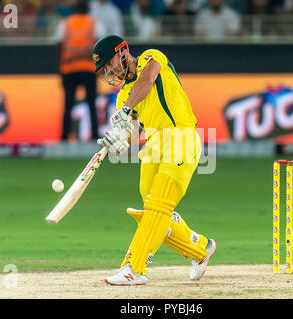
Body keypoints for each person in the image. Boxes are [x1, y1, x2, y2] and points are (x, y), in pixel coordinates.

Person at [91, 35, 217, 285]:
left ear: (123, 51)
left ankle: (134, 267)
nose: (108, 71)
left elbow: (147, 80)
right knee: (154, 212)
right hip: (152, 146)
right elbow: (128, 138)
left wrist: (126, 109)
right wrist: (115, 141)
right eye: (104, 69)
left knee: (159, 206)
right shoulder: (123, 96)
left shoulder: (152, 58)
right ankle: (201, 249)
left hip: (180, 136)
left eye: (109, 63)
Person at [54, 0, 99, 141]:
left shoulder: (65, 23)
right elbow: (99, 45)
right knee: (92, 104)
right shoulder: (94, 24)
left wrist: (59, 68)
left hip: (69, 69)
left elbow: (58, 44)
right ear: (87, 9)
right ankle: (95, 136)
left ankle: (64, 137)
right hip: (89, 69)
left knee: (68, 104)